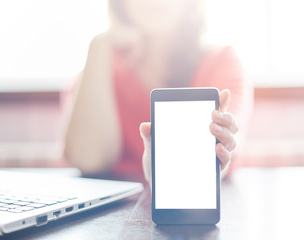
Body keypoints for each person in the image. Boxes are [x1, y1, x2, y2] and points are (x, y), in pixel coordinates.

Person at [64, 0, 253, 182]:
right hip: (118, 210)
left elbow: (225, 147)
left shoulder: (222, 62)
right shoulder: (100, 69)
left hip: (192, 204)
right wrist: (100, 44)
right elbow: (88, 159)